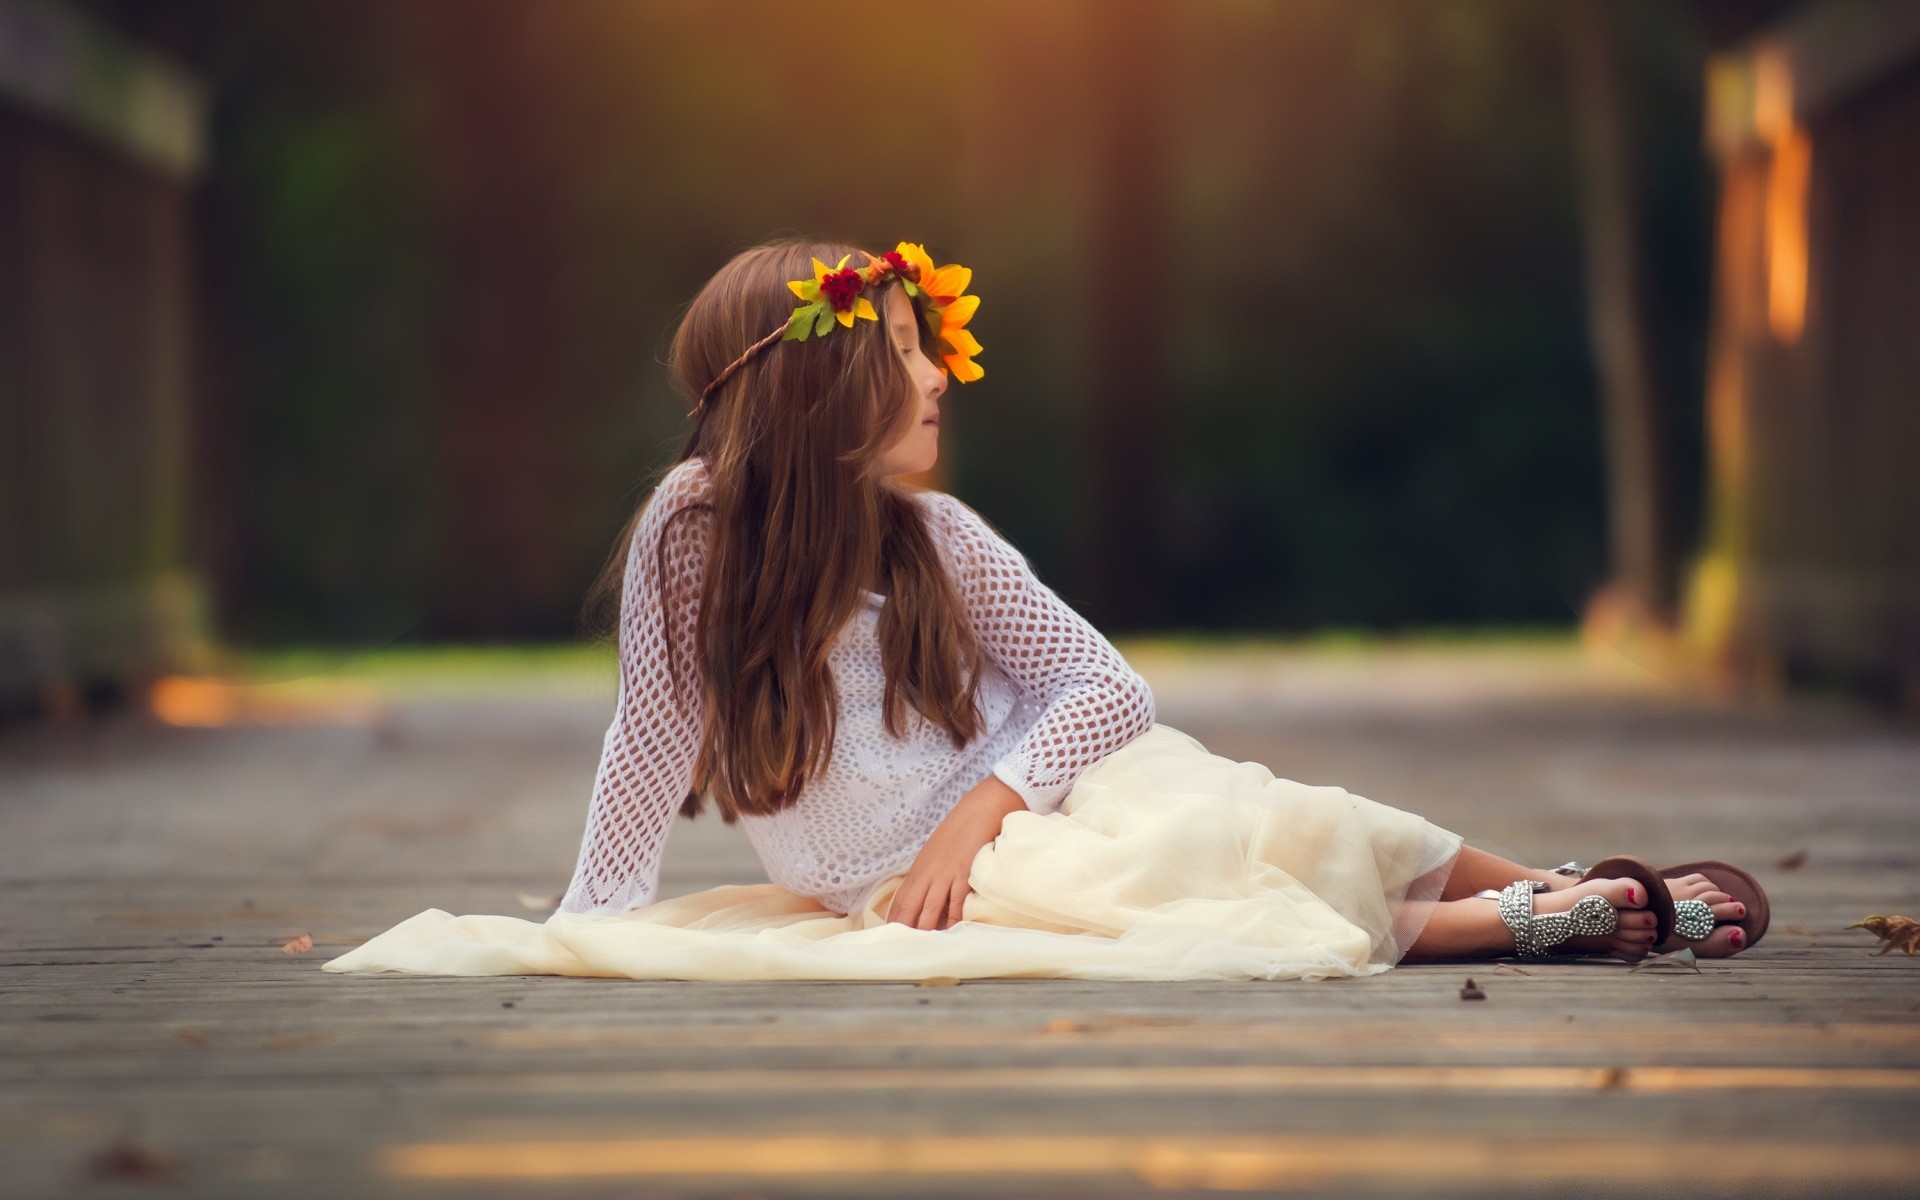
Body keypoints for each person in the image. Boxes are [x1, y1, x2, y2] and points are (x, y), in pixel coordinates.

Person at [325, 238, 1765, 982]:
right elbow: (650, 737)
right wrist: (597, 916)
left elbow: (1108, 690)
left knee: (1245, 809)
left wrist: (979, 805)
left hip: (1031, 799)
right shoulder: (691, 535)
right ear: (818, 382)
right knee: (1147, 900)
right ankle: (1533, 924)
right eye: (904, 346)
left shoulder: (939, 536)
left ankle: (1560, 881)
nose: (942, 375)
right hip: (922, 884)